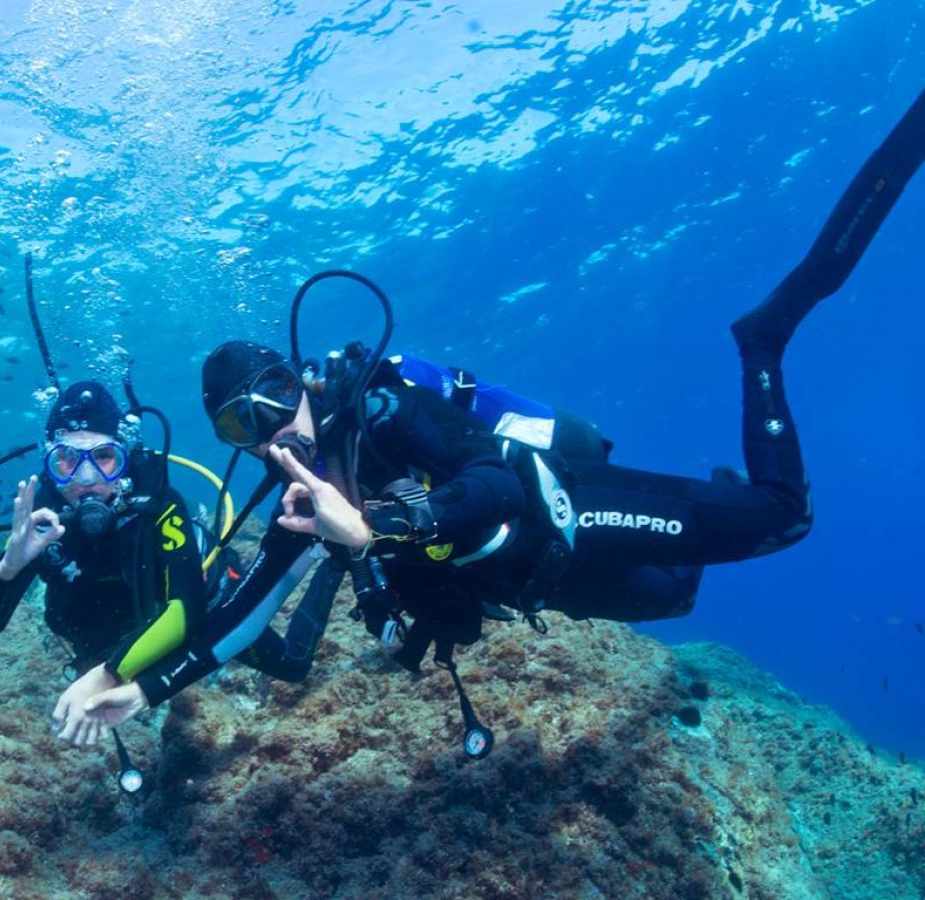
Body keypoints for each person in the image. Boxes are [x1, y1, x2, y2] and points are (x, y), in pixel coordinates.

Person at [62, 88, 924, 739]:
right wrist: (141, 684)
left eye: (276, 402)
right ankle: (710, 500)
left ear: (305, 383)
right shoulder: (302, 498)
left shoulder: (388, 412)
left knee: (782, 520)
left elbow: (493, 488)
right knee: (674, 602)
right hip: (541, 581)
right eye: (239, 428)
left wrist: (369, 529)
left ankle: (764, 339)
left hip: (570, 511)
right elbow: (240, 614)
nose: (273, 433)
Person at [0, 380, 208, 747]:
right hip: (90, 650)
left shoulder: (158, 506)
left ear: (124, 458)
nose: (85, 478)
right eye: (66, 459)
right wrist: (8, 568)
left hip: (154, 649)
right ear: (50, 464)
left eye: (103, 457)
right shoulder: (40, 523)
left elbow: (187, 611)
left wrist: (110, 674)